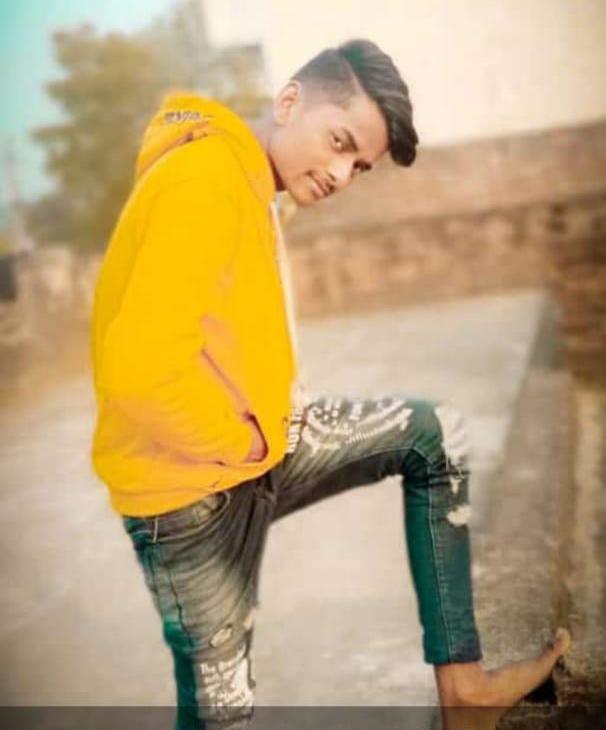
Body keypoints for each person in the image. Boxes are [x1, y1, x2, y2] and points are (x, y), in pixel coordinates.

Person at [90, 39, 571, 730]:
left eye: (360, 165)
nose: (343, 174)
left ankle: (465, 694)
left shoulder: (251, 182)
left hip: (256, 456)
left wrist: (264, 429)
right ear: (289, 101)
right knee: (223, 715)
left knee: (433, 437)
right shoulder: (204, 183)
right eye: (340, 142)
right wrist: (242, 439)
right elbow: (138, 366)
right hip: (186, 500)